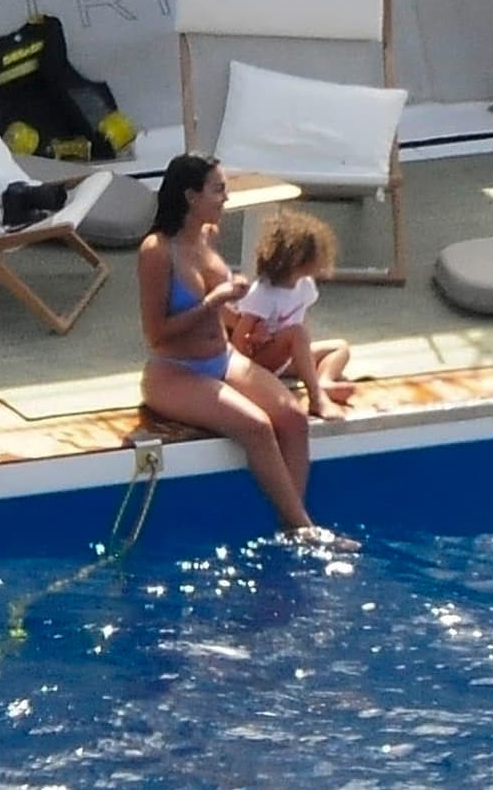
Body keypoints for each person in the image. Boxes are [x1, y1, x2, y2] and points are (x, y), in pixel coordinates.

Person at [137, 153, 357, 551]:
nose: (225, 197)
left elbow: (219, 311)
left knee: (292, 417)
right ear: (190, 196)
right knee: (257, 427)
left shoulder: (208, 235)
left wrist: (236, 312)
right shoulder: (156, 250)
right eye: (218, 189)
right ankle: (304, 530)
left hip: (223, 358)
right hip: (176, 371)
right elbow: (156, 334)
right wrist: (213, 300)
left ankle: (292, 521)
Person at [230, 210, 355, 422]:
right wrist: (249, 361)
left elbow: (302, 318)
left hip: (286, 356)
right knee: (297, 333)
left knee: (340, 347)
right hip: (261, 361)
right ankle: (317, 398)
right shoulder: (263, 294)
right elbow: (238, 339)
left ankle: (322, 381)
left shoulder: (305, 285)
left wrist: (302, 354)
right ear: (300, 261)